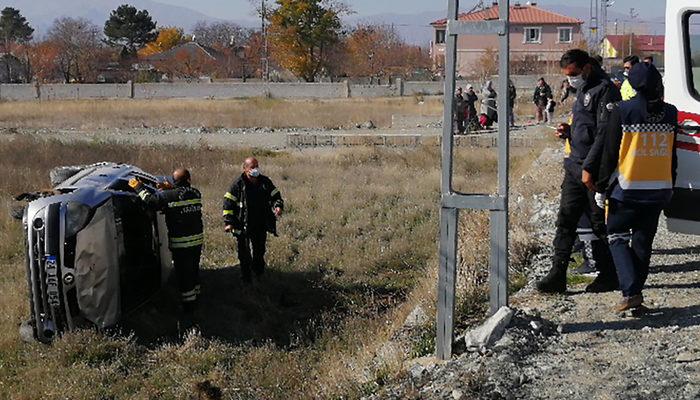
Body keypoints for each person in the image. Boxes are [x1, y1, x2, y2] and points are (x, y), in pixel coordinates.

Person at [536, 49, 621, 294]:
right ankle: (558, 274)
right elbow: (585, 128)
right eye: (567, 76)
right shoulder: (582, 88)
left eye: (574, 74)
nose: (571, 79)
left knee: (598, 224)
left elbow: (604, 135)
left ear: (586, 68)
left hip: (592, 172)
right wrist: (568, 131)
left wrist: (590, 170)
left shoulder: (606, 90)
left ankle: (609, 274)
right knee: (565, 220)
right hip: (574, 167)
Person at [595, 63, 677, 311]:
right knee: (642, 243)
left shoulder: (622, 111)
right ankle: (635, 293)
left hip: (626, 190)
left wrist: (601, 187)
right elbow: (673, 154)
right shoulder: (671, 113)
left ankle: (630, 292)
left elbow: (610, 153)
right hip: (659, 190)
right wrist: (671, 183)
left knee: (617, 238)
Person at [129, 169, 203, 312]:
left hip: (181, 243)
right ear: (188, 180)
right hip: (196, 241)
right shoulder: (195, 193)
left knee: (183, 275)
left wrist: (138, 187)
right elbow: (180, 194)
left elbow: (151, 201)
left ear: (174, 182)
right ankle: (197, 296)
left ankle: (189, 308)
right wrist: (169, 188)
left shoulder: (167, 196)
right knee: (193, 270)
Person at [223, 157, 284, 283]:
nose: (255, 169)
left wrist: (278, 205)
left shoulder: (265, 181)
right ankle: (246, 278)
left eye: (257, 166)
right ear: (245, 169)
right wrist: (229, 222)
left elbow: (276, 195)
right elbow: (228, 203)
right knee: (244, 253)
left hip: (260, 223)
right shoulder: (238, 184)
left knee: (259, 250)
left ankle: (259, 274)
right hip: (242, 225)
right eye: (252, 167)